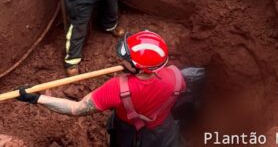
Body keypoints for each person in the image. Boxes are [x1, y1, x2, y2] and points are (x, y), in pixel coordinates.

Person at [16, 31, 186, 147]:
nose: (120, 60)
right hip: (164, 131)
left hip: (126, 132)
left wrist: (37, 98)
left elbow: (76, 109)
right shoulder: (176, 76)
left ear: (140, 68)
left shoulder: (117, 88)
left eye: (126, 58)